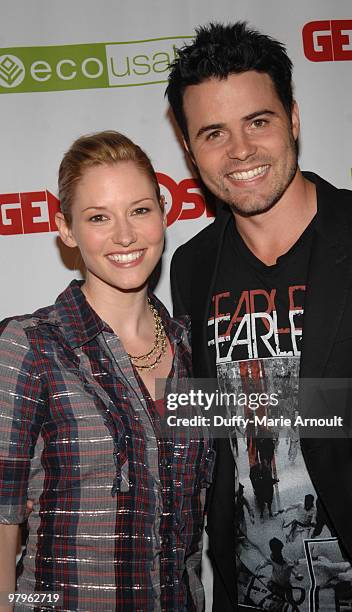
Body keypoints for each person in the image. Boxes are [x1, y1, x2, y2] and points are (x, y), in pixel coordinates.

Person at [166, 21, 352, 611]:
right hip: (252, 591)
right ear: (189, 147)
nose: (240, 151)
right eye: (213, 132)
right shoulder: (191, 264)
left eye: (258, 121)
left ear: (293, 118)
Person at [0, 131, 214, 611]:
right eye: (99, 217)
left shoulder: (195, 350)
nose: (124, 236)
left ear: (163, 211)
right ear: (67, 229)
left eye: (139, 210)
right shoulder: (30, 347)